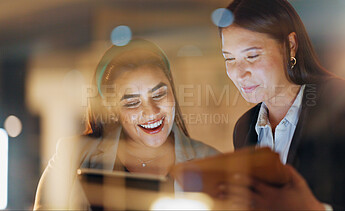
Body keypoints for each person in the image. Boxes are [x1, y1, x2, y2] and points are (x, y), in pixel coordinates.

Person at [216, 0, 345, 210]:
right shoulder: (244, 128)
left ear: (290, 46)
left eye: (252, 55)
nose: (239, 73)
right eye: (229, 59)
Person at [33, 39, 219, 210]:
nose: (152, 112)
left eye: (159, 94)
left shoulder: (213, 162)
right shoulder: (71, 156)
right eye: (132, 102)